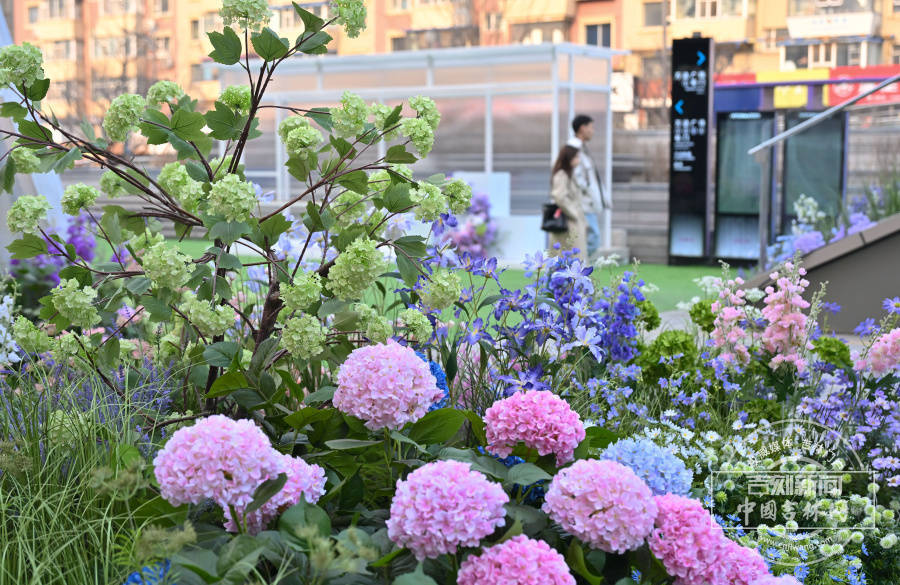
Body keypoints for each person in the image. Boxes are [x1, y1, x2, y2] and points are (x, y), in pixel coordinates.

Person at [567, 114, 611, 258]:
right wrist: (587, 191)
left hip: (587, 204)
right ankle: (574, 266)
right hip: (582, 204)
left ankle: (575, 265)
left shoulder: (582, 148)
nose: (593, 131)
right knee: (593, 239)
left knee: (589, 240)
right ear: (582, 128)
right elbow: (577, 177)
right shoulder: (573, 148)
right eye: (591, 127)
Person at [548, 145, 588, 261]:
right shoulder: (562, 174)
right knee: (568, 257)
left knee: (574, 256)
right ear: (569, 158)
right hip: (567, 222)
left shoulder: (569, 174)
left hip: (572, 220)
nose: (578, 160)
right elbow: (559, 196)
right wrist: (574, 213)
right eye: (576, 157)